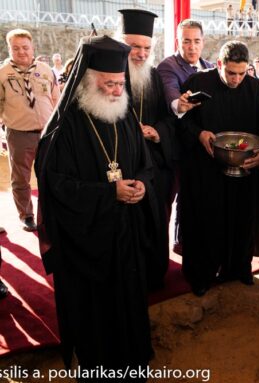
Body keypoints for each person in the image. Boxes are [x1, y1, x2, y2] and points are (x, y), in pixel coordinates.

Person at [35, 35, 155, 376]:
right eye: (110, 84)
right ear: (88, 81)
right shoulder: (65, 127)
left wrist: (142, 186)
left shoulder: (125, 116)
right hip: (86, 244)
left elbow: (146, 164)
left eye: (121, 84)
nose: (118, 91)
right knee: (96, 312)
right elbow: (54, 185)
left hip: (125, 232)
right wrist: (107, 194)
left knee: (129, 300)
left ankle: (132, 358)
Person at [178, 41, 259, 296]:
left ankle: (238, 269)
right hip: (205, 172)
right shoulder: (198, 83)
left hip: (244, 173)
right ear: (219, 64)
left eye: (242, 73)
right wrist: (199, 134)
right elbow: (180, 121)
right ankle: (202, 275)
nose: (236, 79)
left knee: (241, 221)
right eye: (231, 73)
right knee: (206, 223)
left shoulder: (254, 88)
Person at [118, 8, 176, 289]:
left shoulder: (153, 77)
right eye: (134, 47)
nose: (140, 53)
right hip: (120, 165)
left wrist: (156, 133)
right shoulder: (108, 76)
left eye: (146, 48)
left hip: (152, 165)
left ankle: (153, 275)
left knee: (155, 221)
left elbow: (168, 119)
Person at [157, 19, 214, 255]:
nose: (192, 47)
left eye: (196, 41)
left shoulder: (210, 67)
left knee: (195, 200)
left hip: (201, 147)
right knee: (167, 201)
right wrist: (179, 104)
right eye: (186, 41)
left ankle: (186, 243)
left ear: (203, 42)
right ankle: (160, 256)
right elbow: (172, 95)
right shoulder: (168, 66)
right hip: (173, 145)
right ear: (178, 41)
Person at [0, 28, 60, 231]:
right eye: (16, 48)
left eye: (25, 47)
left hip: (47, 133)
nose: (21, 52)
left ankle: (53, 212)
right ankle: (26, 215)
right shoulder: (3, 74)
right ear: (9, 49)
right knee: (21, 179)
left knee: (52, 174)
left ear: (32, 47)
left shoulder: (45, 70)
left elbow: (55, 99)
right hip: (18, 134)